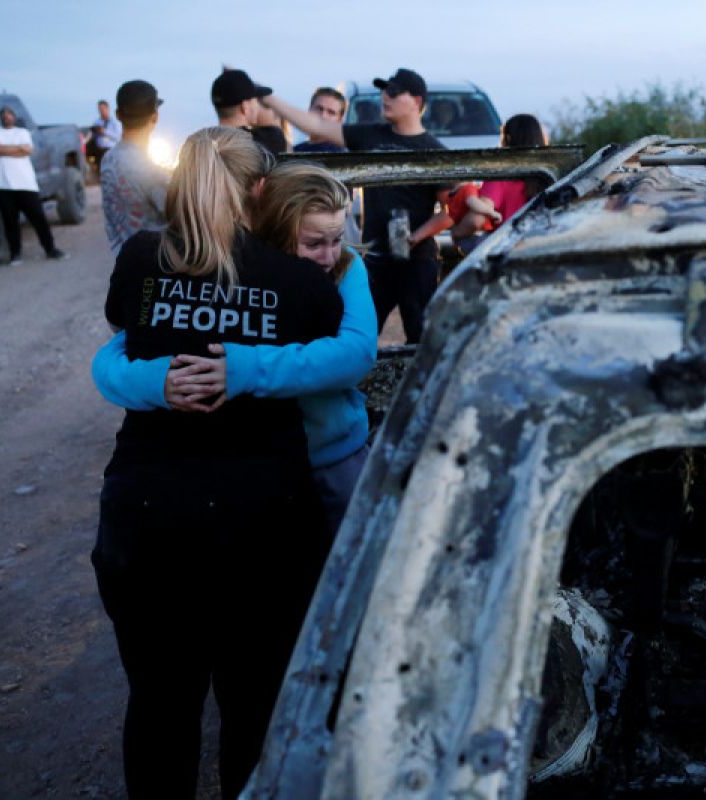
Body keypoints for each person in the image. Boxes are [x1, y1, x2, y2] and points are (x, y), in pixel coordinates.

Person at [92, 126, 342, 799]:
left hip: (147, 516)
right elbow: (338, 341)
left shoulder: (142, 258)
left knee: (159, 704)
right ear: (260, 189)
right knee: (255, 708)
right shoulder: (298, 280)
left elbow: (122, 331)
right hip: (263, 518)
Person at [92, 161, 377, 534]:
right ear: (275, 230)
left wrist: (246, 369)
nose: (329, 255)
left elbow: (356, 354)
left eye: (337, 238)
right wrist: (156, 381)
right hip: (256, 468)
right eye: (313, 243)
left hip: (333, 454)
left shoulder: (346, 267)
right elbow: (118, 351)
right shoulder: (244, 272)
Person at [260, 67, 454, 344]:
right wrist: (268, 98)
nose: (385, 97)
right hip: (375, 258)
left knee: (421, 340)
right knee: (356, 333)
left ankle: (416, 387)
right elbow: (316, 127)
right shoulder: (371, 135)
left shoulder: (435, 150)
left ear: (417, 102)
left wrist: (417, 236)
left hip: (417, 261)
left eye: (395, 92)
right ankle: (358, 383)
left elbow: (451, 211)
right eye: (384, 90)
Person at [450, 114, 549, 252]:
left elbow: (476, 219)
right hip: (542, 247)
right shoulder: (549, 175)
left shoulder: (501, 176)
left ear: (507, 139)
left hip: (507, 250)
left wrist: (457, 233)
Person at [0, 106, 66, 263]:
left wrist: (2, 151)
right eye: (4, 115)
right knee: (10, 221)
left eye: (9, 114)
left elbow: (27, 150)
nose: (7, 117)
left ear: (14, 117)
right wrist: (17, 149)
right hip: (2, 185)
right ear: (0, 117)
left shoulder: (22, 133)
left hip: (25, 184)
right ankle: (15, 254)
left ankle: (50, 249)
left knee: (38, 218)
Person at [100, 80, 171, 256]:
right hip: (151, 267)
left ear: (117, 114)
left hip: (122, 262)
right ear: (155, 117)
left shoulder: (107, 159)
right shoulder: (151, 171)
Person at [211, 68, 286, 156]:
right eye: (256, 100)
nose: (257, 105)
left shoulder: (203, 142)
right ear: (245, 107)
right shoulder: (266, 140)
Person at [292, 87, 347, 153]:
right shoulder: (295, 150)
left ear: (340, 120)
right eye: (319, 109)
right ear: (309, 111)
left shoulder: (342, 155)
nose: (323, 116)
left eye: (331, 112)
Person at [87, 99, 123, 173]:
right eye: (99, 109)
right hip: (99, 150)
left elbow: (118, 137)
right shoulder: (97, 122)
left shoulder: (115, 123)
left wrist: (105, 132)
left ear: (108, 109)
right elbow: (91, 134)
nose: (101, 111)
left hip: (110, 149)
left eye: (102, 109)